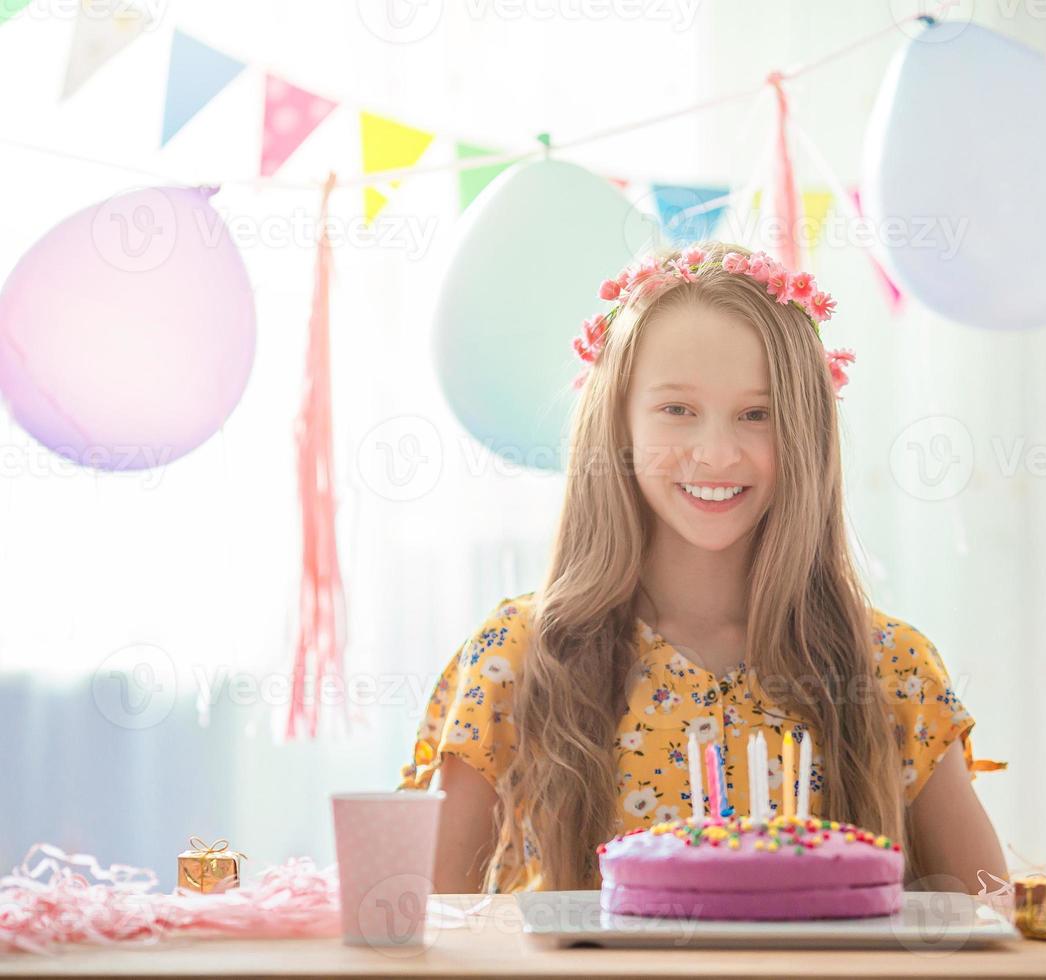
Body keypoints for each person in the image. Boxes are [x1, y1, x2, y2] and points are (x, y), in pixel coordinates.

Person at [399, 241, 1006, 894]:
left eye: (757, 415)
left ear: (807, 432)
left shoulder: (891, 669)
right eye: (677, 410)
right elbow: (435, 932)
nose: (716, 453)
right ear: (618, 423)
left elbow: (988, 920)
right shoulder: (518, 659)